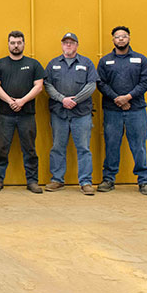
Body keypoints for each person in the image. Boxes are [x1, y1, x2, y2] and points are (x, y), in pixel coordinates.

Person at [97, 26, 147, 195]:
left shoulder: (141, 60)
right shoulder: (105, 61)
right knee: (112, 145)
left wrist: (127, 97)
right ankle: (108, 179)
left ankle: (144, 181)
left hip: (136, 110)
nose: (120, 39)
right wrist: (117, 99)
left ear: (129, 38)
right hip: (112, 111)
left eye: (123, 36)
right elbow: (101, 83)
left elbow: (145, 83)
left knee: (139, 146)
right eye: (117, 37)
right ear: (113, 40)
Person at [0, 31, 45, 193]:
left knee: (30, 149)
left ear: (24, 44)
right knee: (1, 148)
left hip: (27, 114)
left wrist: (22, 101)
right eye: (12, 42)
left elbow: (39, 86)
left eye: (19, 42)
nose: (16, 45)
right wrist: (10, 101)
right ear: (8, 44)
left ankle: (32, 181)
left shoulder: (34, 64)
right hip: (5, 114)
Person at [43, 32, 99, 195]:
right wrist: (62, 99)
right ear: (61, 45)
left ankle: (86, 182)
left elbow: (91, 85)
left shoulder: (86, 63)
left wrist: (75, 100)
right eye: (65, 42)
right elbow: (47, 85)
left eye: (72, 42)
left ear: (77, 45)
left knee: (83, 148)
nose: (68, 45)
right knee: (58, 147)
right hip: (59, 113)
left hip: (81, 113)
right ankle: (57, 179)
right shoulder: (53, 64)